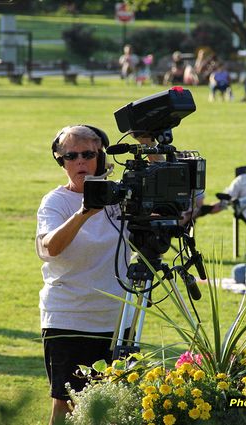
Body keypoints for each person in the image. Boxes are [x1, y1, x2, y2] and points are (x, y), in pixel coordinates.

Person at [37, 126, 159, 424]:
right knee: (66, 406)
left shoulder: (121, 195)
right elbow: (51, 247)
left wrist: (148, 142)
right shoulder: (55, 202)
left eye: (88, 155)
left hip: (118, 318)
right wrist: (84, 213)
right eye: (71, 156)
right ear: (61, 161)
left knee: (119, 406)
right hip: (69, 316)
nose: (80, 162)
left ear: (101, 158)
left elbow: (161, 189)